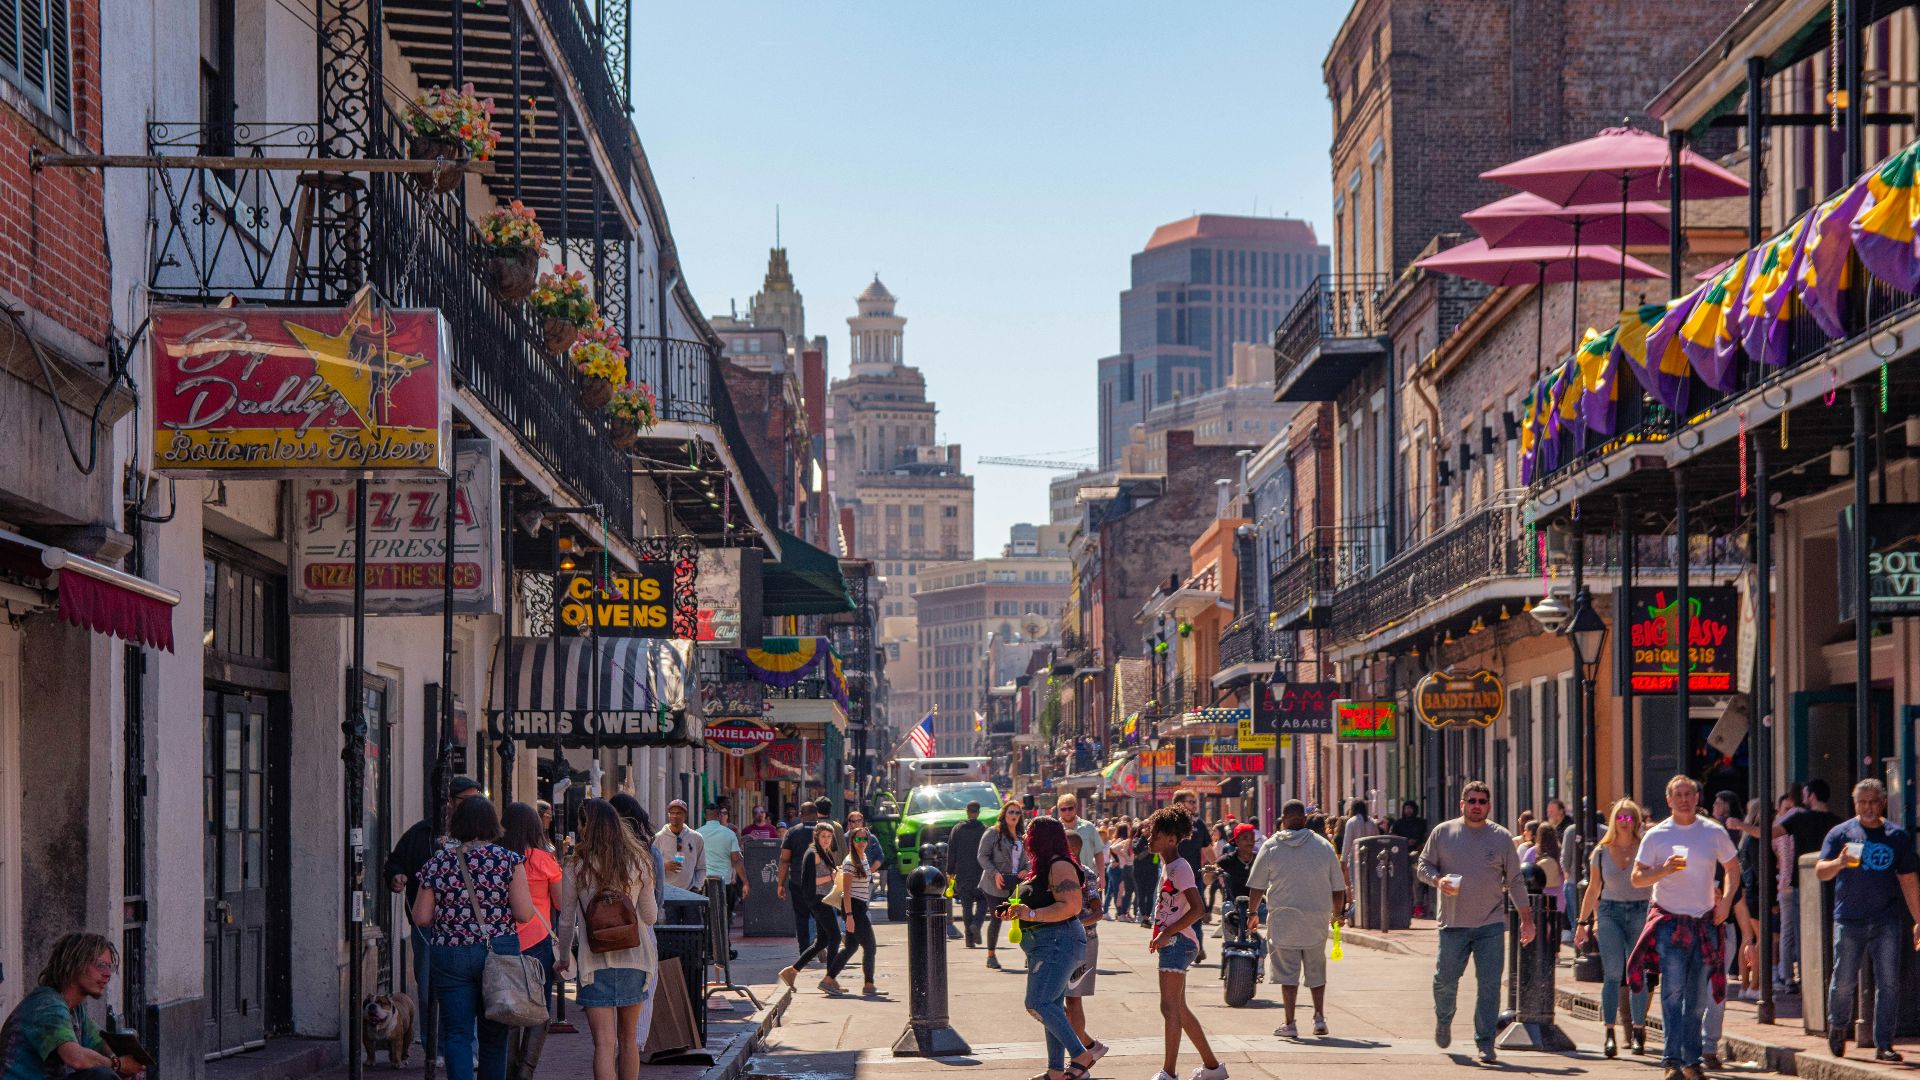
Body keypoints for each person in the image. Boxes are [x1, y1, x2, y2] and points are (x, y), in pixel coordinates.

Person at [411, 795, 538, 1080]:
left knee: (457, 1034)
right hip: (498, 950)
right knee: (494, 1034)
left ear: (458, 825)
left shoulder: (439, 862)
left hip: (451, 952)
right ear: (493, 824)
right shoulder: (508, 860)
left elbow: (421, 916)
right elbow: (524, 913)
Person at [1627, 775, 1740, 1080]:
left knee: (1698, 999)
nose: (1685, 799)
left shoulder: (1712, 832)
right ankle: (1672, 1062)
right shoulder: (1657, 835)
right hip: (1669, 921)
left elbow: (1732, 868)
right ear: (1669, 800)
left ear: (1697, 797)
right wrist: (1663, 870)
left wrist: (1727, 901)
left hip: (1703, 922)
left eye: (1689, 794)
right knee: (1673, 994)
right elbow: (1637, 878)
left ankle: (1692, 1061)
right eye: (1678, 794)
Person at [1417, 779, 1534, 1063]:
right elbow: (1423, 865)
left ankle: (1485, 1042)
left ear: (1489, 805)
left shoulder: (1501, 837)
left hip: (1491, 924)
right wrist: (1438, 879)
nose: (1477, 806)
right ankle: (1443, 1020)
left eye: (1482, 801)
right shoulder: (1443, 833)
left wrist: (1527, 919)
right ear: (1462, 804)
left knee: (1490, 985)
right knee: (1445, 980)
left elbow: (1515, 880)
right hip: (1453, 924)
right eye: (1472, 801)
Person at [554, 798, 660, 1080]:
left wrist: (565, 957)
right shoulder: (639, 862)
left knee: (603, 1044)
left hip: (594, 963)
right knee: (628, 1042)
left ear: (587, 827)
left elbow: (566, 920)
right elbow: (650, 917)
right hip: (636, 960)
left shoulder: (576, 866)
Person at [1815, 778, 1920, 1062]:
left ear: (1883, 802)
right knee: (1844, 980)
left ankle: (1884, 1043)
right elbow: (1820, 871)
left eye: (1873, 801)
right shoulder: (1841, 834)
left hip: (1886, 919)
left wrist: (1918, 918)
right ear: (1855, 803)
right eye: (1862, 802)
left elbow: (1908, 878)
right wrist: (1838, 862)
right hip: (1849, 919)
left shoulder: (1896, 836)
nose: (1868, 807)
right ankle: (1837, 1026)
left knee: (1888, 983)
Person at [385, 774, 484, 1050]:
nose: (473, 806)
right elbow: (395, 863)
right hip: (427, 925)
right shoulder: (420, 834)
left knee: (465, 990)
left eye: (478, 800)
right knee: (429, 989)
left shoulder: (480, 837)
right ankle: (433, 1045)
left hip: (465, 925)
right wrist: (396, 877)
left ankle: (461, 1046)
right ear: (450, 802)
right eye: (468, 800)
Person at [997, 815, 1101, 1080]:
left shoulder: (1061, 865)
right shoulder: (1042, 868)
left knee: (1038, 1002)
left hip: (1058, 941)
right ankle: (1055, 1070)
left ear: (1041, 838)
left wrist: (1030, 915)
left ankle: (1081, 1054)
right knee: (1051, 1004)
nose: (1025, 838)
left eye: (1030, 833)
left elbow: (1071, 906)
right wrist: (1014, 910)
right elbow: (1039, 902)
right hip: (1045, 944)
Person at [1246, 799, 1346, 1040]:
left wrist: (1251, 914)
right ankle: (1319, 1017)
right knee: (1316, 969)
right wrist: (1337, 915)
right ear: (1304, 819)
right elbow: (1338, 887)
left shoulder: (1271, 847)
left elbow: (1257, 886)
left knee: (1288, 974)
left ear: (1283, 819)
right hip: (1316, 918)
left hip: (1283, 919)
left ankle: (1290, 1023)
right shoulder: (1324, 846)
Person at [1143, 805, 1226, 1080]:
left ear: (1171, 838)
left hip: (1179, 942)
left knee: (1168, 1008)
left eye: (1154, 834)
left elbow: (1198, 908)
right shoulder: (1169, 867)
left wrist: (1167, 933)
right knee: (1178, 1008)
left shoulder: (1179, 868)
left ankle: (1168, 1072)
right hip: (1174, 942)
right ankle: (1213, 1068)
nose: (1149, 838)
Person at [0, 933, 141, 1078]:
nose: (107, 974)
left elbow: (100, 1042)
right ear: (75, 965)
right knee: (102, 1076)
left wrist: (125, 1061)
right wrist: (117, 1064)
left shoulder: (75, 1008)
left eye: (110, 967)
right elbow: (76, 1058)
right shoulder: (46, 1004)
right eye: (100, 965)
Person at [1574, 798, 1652, 1058]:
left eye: (1630, 817)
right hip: (1609, 912)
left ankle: (1638, 1031)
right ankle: (1610, 1033)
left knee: (1636, 972)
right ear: (1613, 821)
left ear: (1636, 821)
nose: (1625, 822)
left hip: (1640, 911)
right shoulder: (1600, 851)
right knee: (1613, 973)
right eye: (1620, 817)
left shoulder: (1644, 848)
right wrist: (1583, 922)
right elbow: (1593, 889)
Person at [503, 801, 563, 1080]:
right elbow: (562, 902)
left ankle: (508, 1066)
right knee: (540, 1008)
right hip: (538, 941)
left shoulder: (498, 857)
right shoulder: (543, 859)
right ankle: (526, 1070)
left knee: (509, 1006)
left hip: (504, 941)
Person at [1772, 779, 1839, 991]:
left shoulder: (1799, 817)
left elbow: (1771, 833)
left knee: (1803, 934)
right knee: (1829, 931)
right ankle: (1827, 977)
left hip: (1805, 884)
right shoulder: (1837, 823)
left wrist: (1742, 825)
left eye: (1805, 793)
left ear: (1811, 795)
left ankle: (1808, 980)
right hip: (1832, 884)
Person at [777, 823, 845, 990]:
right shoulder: (813, 853)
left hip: (824, 899)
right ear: (816, 836)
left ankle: (791, 972)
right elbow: (811, 882)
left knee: (821, 941)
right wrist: (832, 876)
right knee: (835, 936)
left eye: (829, 837)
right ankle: (829, 979)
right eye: (823, 836)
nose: (827, 840)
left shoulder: (823, 852)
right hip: (818, 900)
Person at [1062, 831, 1108, 1063]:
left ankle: (1080, 1053)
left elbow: (1098, 911)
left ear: (1073, 850)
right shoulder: (1058, 873)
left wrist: (1075, 923)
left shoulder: (1086, 874)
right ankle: (1087, 1046)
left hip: (1084, 942)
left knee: (1073, 998)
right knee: (1057, 999)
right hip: (1063, 942)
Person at [824, 815, 881, 996]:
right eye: (858, 839)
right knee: (870, 947)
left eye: (865, 839)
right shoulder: (850, 862)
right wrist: (849, 916)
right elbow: (846, 892)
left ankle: (828, 980)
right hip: (854, 908)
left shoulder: (863, 858)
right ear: (852, 840)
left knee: (851, 947)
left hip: (859, 906)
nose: (862, 842)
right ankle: (869, 985)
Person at [977, 801, 1026, 970]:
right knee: (998, 918)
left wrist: (1026, 870)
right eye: (1011, 812)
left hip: (1016, 884)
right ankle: (991, 955)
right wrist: (995, 874)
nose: (1014, 816)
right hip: (995, 884)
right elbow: (982, 856)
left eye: (1017, 813)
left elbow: (1028, 860)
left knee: (1023, 918)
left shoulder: (1022, 836)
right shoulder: (993, 833)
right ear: (1004, 814)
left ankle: (1030, 955)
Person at [1171, 789, 1214, 962]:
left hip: (1194, 877)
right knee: (1175, 914)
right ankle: (1175, 947)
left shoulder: (1199, 823)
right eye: (1191, 802)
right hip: (1174, 877)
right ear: (1179, 804)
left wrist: (1218, 866)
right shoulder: (1171, 823)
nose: (1195, 805)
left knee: (1197, 912)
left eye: (1195, 802)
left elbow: (1208, 848)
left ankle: (1197, 947)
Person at [776, 800, 821, 955]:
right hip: (821, 882)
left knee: (801, 917)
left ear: (801, 815)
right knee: (821, 915)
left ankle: (804, 951)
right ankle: (821, 944)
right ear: (817, 814)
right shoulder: (825, 832)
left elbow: (784, 860)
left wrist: (780, 884)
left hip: (798, 880)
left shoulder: (792, 832)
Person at [948, 800, 989, 948]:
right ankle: (976, 924)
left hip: (962, 873)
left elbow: (951, 851)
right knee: (983, 902)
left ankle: (969, 940)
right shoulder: (984, 829)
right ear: (978, 812)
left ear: (967, 811)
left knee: (966, 906)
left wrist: (949, 871)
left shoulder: (957, 829)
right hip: (980, 873)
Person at [698, 801, 746, 925]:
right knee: (725, 915)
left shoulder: (697, 834)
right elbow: (736, 860)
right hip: (724, 882)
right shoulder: (729, 834)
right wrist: (745, 882)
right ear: (719, 816)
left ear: (705, 816)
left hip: (704, 882)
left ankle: (708, 942)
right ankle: (724, 942)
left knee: (706, 916)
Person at [652, 799, 705, 892]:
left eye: (678, 813)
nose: (674, 816)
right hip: (667, 893)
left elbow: (701, 867)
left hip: (690, 893)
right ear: (668, 815)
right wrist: (663, 866)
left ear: (685, 816)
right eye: (672, 813)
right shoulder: (658, 838)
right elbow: (649, 866)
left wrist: (697, 886)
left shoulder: (696, 838)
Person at [1130, 821, 1159, 924]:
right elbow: (1136, 850)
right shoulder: (1136, 839)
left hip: (1152, 871)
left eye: (1149, 826)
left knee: (1150, 894)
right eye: (1145, 827)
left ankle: (1147, 916)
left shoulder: (1155, 839)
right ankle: (1143, 917)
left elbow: (1157, 853)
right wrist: (1143, 837)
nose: (1147, 829)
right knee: (1141, 894)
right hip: (1139, 871)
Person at [1105, 822, 1132, 921]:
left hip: (1114, 868)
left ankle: (1110, 911)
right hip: (1117, 869)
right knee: (1118, 892)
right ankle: (1120, 913)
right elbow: (1112, 849)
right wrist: (1117, 859)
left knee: (1112, 891)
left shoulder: (1116, 840)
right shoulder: (1121, 840)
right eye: (1128, 828)